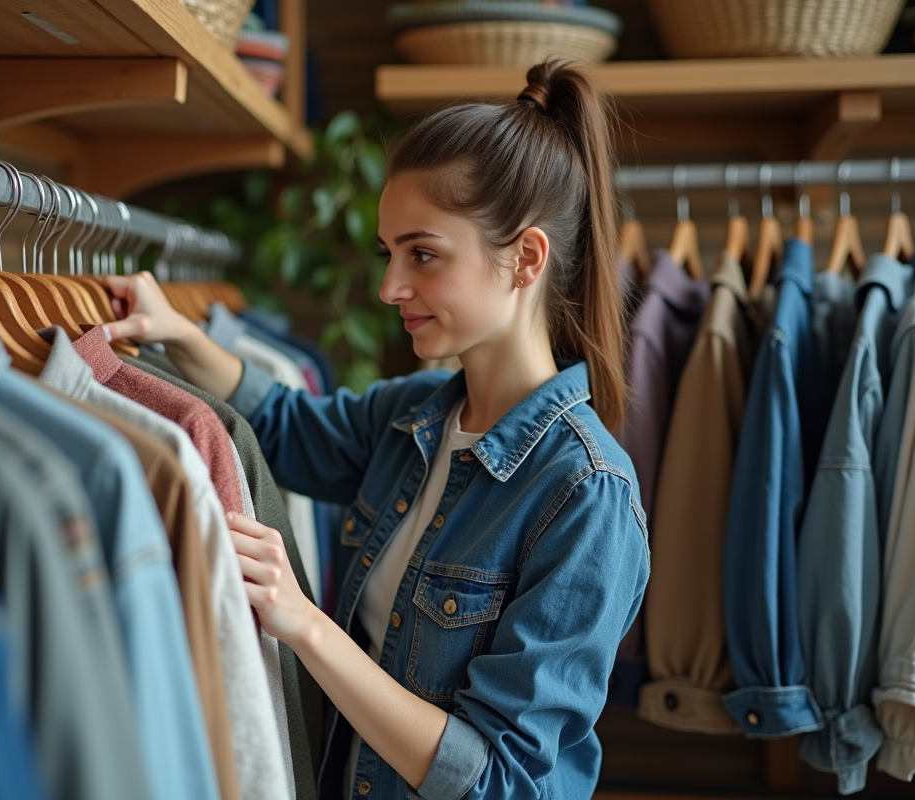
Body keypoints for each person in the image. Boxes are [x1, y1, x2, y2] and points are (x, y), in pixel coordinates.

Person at [101, 59, 649, 800]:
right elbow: (290, 430)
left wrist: (303, 623)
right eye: (389, 254)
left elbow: (502, 779)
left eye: (422, 255)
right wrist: (181, 337)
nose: (391, 288)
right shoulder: (414, 415)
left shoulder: (586, 494)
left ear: (524, 258)